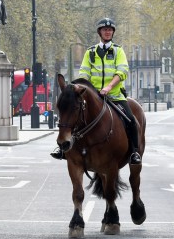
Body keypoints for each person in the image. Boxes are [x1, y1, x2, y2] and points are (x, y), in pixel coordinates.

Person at [52, 17, 142, 165]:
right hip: (94, 96)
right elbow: (84, 73)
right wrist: (79, 87)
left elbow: (122, 72)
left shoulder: (118, 51)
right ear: (99, 32)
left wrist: (109, 87)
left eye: (110, 30)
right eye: (105, 30)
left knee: (131, 120)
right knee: (72, 116)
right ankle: (63, 149)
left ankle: (134, 152)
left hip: (114, 95)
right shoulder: (90, 52)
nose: (108, 32)